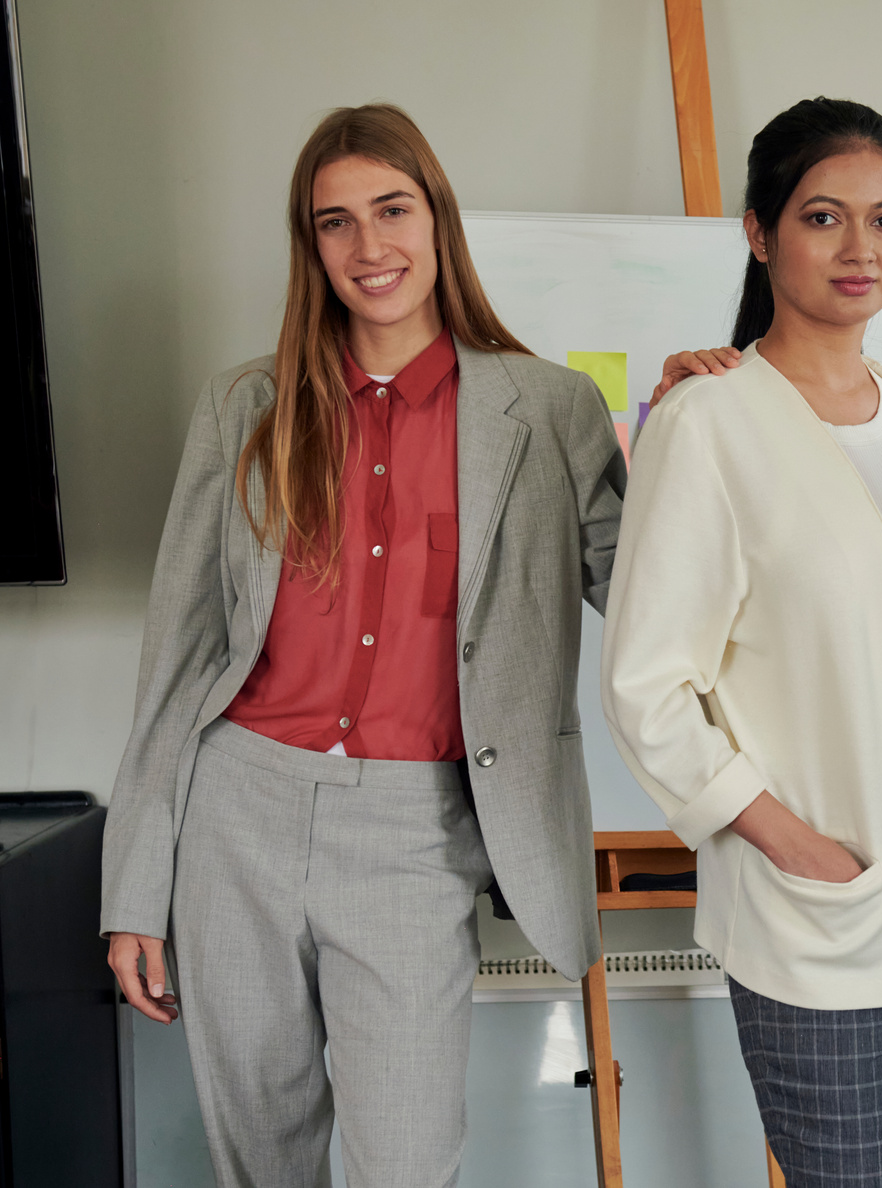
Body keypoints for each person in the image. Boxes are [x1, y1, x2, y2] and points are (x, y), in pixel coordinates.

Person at [100, 104, 626, 1187]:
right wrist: (133, 891)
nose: (368, 245)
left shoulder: (552, 410)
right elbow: (179, 656)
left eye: (392, 209)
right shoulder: (245, 406)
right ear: (311, 245)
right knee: (261, 1165)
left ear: (437, 219)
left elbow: (651, 598)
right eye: (334, 221)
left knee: (407, 1163)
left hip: (414, 831)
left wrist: (718, 423)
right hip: (235, 816)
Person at [603, 97, 882, 1188]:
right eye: (823, 217)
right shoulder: (707, 422)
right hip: (829, 922)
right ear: (759, 233)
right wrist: (797, 848)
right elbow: (648, 686)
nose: (862, 249)